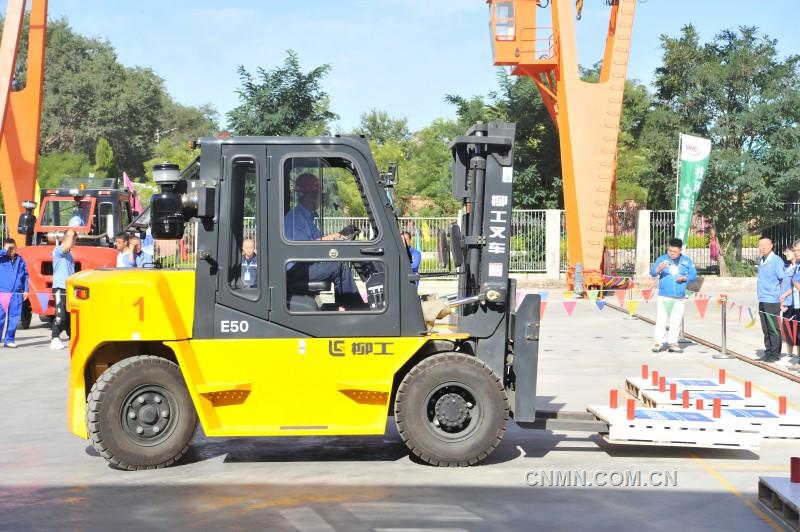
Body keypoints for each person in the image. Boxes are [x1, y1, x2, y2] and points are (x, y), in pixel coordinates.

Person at [284, 173, 361, 306]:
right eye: (319, 194)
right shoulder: (295, 218)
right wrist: (337, 235)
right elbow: (305, 247)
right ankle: (355, 309)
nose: (321, 198)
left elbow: (320, 241)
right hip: (297, 270)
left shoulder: (308, 218)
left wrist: (340, 236)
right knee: (339, 267)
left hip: (306, 267)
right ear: (310, 196)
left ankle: (345, 306)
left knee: (338, 263)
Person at [650, 238, 697, 353]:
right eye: (670, 250)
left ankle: (673, 343)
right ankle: (658, 342)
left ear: (680, 250)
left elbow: (694, 275)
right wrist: (659, 268)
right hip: (665, 296)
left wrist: (685, 278)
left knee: (676, 321)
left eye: (674, 251)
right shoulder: (662, 259)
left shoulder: (687, 261)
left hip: (679, 297)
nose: (671, 253)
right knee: (661, 320)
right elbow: (652, 273)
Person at [756, 236, 785, 363]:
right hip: (762, 298)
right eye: (760, 245)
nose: (763, 247)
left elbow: (783, 279)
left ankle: (775, 354)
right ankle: (768, 352)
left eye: (765, 245)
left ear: (771, 245)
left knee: (773, 328)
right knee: (765, 328)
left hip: (772, 300)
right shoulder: (762, 260)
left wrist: (782, 298)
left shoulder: (776, 261)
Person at [0, 239, 28, 348]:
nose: (12, 250)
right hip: (3, 292)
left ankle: (9, 339)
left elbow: (26, 275)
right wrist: (4, 251)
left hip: (17, 294)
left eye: (13, 247)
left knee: (14, 318)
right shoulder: (1, 258)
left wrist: (26, 290)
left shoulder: (20, 260)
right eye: (9, 248)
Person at [51, 229, 76, 350]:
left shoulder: (70, 254)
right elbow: (67, 244)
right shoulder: (58, 251)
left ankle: (72, 337)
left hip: (69, 288)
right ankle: (54, 338)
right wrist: (71, 232)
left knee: (70, 316)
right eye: (74, 239)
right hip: (59, 288)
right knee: (61, 315)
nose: (75, 242)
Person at [778, 245, 799, 366]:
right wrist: (781, 300)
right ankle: (789, 354)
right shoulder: (788, 268)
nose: (786, 254)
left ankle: (796, 356)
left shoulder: (797, 268)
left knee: (795, 330)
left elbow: (794, 287)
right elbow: (783, 285)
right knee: (787, 330)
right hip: (785, 303)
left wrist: (785, 295)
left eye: (788, 252)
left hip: (792, 303)